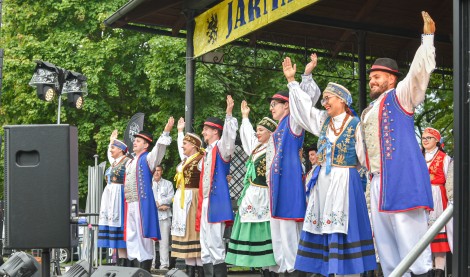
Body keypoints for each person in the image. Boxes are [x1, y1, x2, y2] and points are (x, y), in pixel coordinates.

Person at [285, 54, 376, 276]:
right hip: (324, 182)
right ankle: (324, 269)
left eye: (328, 99)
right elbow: (305, 110)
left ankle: (347, 269)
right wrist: (292, 82)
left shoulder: (356, 124)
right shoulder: (324, 121)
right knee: (322, 224)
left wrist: (375, 175)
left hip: (345, 181)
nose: (324, 103)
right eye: (324, 99)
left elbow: (367, 156)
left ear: (342, 100)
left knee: (343, 225)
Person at [362, 11, 436, 277]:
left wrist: (427, 39)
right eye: (371, 78)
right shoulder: (368, 110)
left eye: (377, 77)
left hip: (401, 178)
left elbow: (418, 72)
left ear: (391, 79)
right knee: (387, 247)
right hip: (377, 180)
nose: (372, 81)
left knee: (411, 241)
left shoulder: (400, 95)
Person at [265, 54, 322, 275]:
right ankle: (284, 268)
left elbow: (305, 103)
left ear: (287, 106)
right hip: (278, 183)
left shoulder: (294, 121)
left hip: (288, 182)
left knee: (289, 229)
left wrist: (303, 77)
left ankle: (294, 269)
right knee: (278, 229)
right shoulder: (279, 127)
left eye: (274, 105)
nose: (271, 108)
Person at [225, 101, 278, 275]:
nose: (257, 132)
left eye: (261, 130)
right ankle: (262, 268)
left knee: (266, 230)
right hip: (252, 196)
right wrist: (245, 117)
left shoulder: (274, 149)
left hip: (265, 195)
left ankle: (272, 268)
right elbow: (248, 136)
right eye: (258, 129)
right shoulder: (256, 149)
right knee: (253, 228)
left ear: (271, 133)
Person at [124, 117, 174, 272]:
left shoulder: (148, 158)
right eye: (135, 140)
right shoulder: (130, 161)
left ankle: (144, 269)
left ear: (145, 145)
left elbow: (159, 149)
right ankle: (136, 268)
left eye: (138, 141)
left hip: (142, 203)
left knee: (143, 237)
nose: (135, 143)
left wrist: (166, 131)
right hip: (131, 203)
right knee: (133, 236)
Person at [196, 95, 238, 277]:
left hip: (216, 201)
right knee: (204, 244)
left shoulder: (221, 147)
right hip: (205, 201)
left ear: (215, 131)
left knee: (215, 243)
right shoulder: (206, 153)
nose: (203, 132)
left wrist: (229, 115)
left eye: (206, 129)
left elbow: (229, 139)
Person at [171, 117, 205, 277]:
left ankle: (200, 271)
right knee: (187, 238)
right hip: (183, 199)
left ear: (194, 145)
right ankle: (191, 272)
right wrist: (179, 132)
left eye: (185, 143)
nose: (183, 146)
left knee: (194, 236)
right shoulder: (186, 160)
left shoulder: (200, 159)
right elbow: (180, 149)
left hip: (194, 198)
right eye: (183, 143)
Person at [421, 127, 452, 277]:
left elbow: (449, 182)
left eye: (429, 138)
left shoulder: (444, 158)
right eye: (423, 138)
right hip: (420, 199)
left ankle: (439, 273)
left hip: (438, 198)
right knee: (421, 239)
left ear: (437, 141)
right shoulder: (418, 156)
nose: (425, 140)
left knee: (438, 240)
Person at [98, 131, 130, 266]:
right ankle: (120, 264)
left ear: (121, 150)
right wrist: (111, 141)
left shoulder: (127, 162)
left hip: (120, 199)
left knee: (122, 233)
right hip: (111, 200)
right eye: (111, 148)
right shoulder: (114, 163)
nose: (111, 150)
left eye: (113, 148)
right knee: (115, 235)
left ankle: (126, 265)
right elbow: (110, 156)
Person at [152, 165, 175, 270]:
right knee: (150, 242)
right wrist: (159, 205)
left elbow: (171, 197)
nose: (156, 172)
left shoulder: (168, 183)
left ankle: (164, 265)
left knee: (164, 242)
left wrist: (159, 202)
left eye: (158, 170)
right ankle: (151, 264)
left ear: (162, 172)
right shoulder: (148, 184)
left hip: (165, 217)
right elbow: (146, 198)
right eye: (155, 170)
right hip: (152, 217)